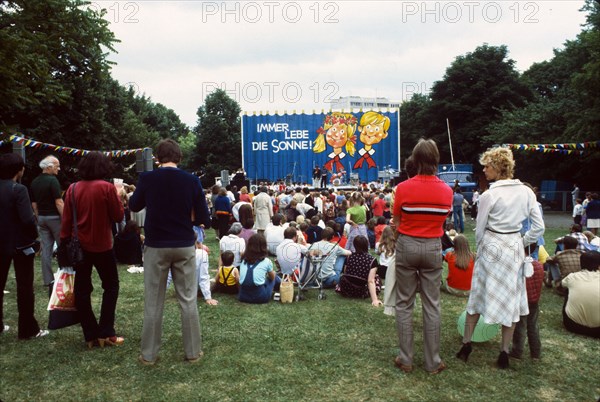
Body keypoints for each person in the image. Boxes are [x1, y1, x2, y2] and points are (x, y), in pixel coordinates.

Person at [456, 147, 545, 370]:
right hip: (514, 246)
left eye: (487, 166)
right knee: (511, 301)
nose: (484, 170)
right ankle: (504, 352)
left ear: (497, 167)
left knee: (477, 297)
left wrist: (484, 247)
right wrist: (523, 241)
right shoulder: (526, 192)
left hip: (492, 247)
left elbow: (479, 229)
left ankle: (466, 344)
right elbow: (539, 227)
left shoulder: (490, 194)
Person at [129, 139, 211, 365]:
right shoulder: (192, 180)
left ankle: (148, 355)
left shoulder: (147, 178)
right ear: (180, 157)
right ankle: (193, 352)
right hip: (184, 245)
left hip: (156, 246)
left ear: (157, 158)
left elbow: (134, 206)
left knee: (153, 302)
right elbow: (204, 218)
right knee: (188, 300)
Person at [393, 139, 453, 374]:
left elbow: (397, 222)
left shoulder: (404, 188)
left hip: (407, 244)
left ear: (416, 161)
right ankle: (432, 361)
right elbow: (443, 220)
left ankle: (405, 358)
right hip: (432, 246)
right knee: (432, 305)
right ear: (436, 160)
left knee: (404, 303)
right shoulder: (447, 191)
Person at [60, 152, 124, 349]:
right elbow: (118, 215)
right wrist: (119, 195)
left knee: (82, 290)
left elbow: (67, 220)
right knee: (111, 286)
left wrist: (64, 242)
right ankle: (106, 332)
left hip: (79, 246)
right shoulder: (106, 187)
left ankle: (90, 334)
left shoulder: (73, 188)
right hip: (103, 245)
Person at [0, 153, 48, 339]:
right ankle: (28, 329)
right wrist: (34, 237)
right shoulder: (18, 189)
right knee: (25, 286)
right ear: (19, 170)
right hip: (20, 244)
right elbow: (28, 219)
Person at [30, 155, 63, 287]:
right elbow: (59, 202)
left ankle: (48, 280)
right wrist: (66, 219)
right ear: (49, 167)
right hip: (55, 219)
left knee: (46, 250)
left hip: (42, 218)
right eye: (57, 166)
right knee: (63, 247)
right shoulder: (52, 180)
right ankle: (65, 276)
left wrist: (39, 218)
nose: (59, 169)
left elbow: (34, 204)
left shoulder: (34, 182)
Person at [510, 257, 544, 359]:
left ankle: (517, 351)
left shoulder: (519, 265)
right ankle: (535, 352)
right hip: (534, 300)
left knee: (520, 327)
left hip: (522, 301)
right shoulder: (538, 265)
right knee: (533, 326)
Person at [561, 251, 600, 338]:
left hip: (572, 325)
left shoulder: (572, 277)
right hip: (598, 330)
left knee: (568, 288)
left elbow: (562, 284)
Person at [337, 236, 381, 304]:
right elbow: (370, 281)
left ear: (354, 245)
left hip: (347, 288)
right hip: (362, 290)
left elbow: (346, 273)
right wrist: (375, 300)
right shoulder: (372, 260)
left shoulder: (349, 257)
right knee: (376, 277)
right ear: (366, 245)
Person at [238, 234, 281, 304]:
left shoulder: (243, 260)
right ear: (263, 247)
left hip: (242, 296)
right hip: (260, 297)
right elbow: (272, 278)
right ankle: (282, 286)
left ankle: (279, 285)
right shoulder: (266, 261)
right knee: (274, 275)